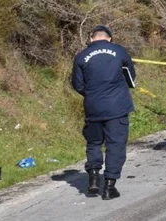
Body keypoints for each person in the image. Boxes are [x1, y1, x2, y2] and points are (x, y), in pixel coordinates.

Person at [71, 25, 135, 200]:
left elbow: (77, 84)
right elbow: (131, 76)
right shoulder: (119, 51)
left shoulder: (81, 56)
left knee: (94, 142)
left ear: (91, 38)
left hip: (93, 106)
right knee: (115, 145)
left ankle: (93, 178)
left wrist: (93, 94)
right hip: (117, 107)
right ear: (109, 38)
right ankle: (109, 187)